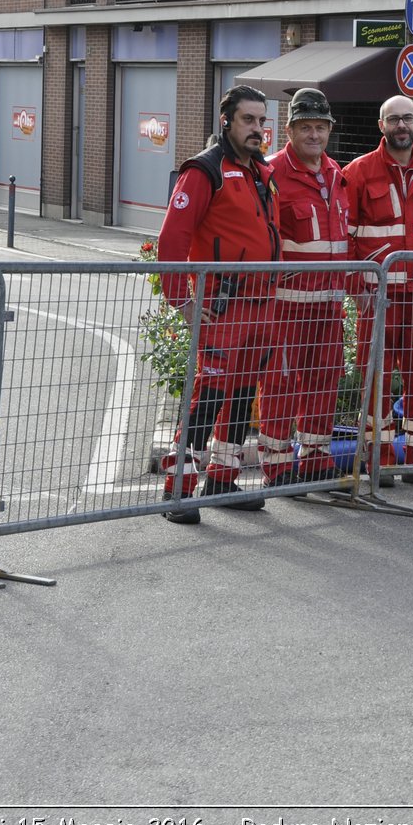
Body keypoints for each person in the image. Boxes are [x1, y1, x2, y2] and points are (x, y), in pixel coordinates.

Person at [154, 85, 281, 521]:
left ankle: (223, 481)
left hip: (261, 306)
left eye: (262, 121)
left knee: (243, 394)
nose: (258, 129)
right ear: (225, 121)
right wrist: (180, 301)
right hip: (222, 305)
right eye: (248, 120)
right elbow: (172, 238)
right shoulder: (204, 170)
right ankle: (179, 491)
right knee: (207, 395)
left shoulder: (261, 172)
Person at [344, 94, 413, 488]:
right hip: (379, 297)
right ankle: (380, 460)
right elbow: (347, 237)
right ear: (381, 126)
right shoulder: (359, 172)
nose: (401, 126)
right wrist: (359, 290)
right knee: (374, 375)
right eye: (393, 120)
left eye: (407, 118)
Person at [258, 89, 352, 487]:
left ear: (329, 130)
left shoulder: (335, 173)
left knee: (324, 379)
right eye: (306, 128)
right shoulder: (272, 173)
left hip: (329, 303)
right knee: (280, 382)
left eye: (320, 127)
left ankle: (315, 458)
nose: (314, 135)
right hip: (286, 306)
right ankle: (277, 466)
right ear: (290, 130)